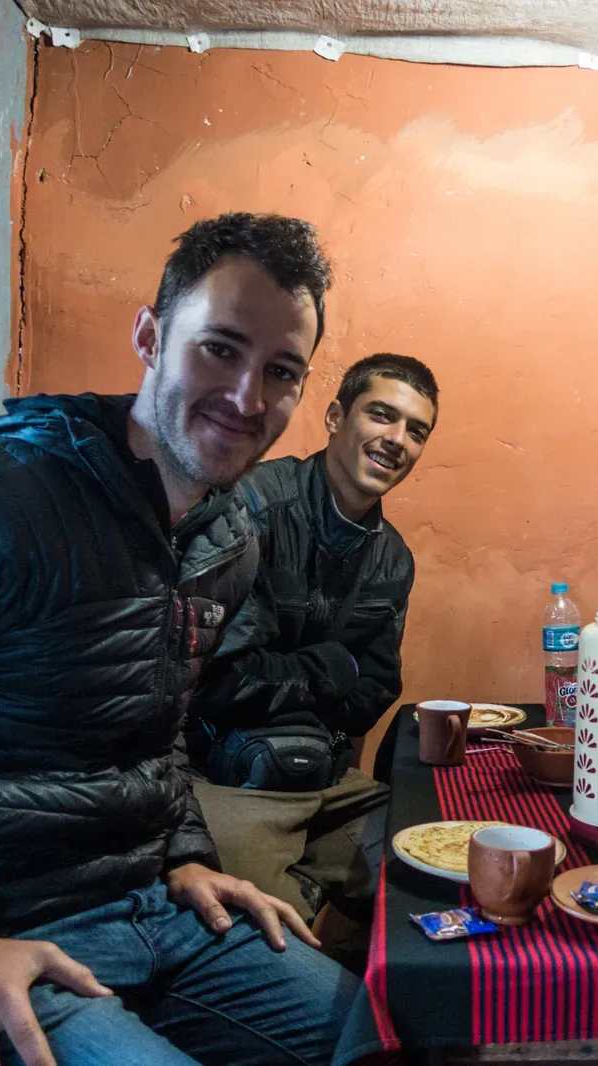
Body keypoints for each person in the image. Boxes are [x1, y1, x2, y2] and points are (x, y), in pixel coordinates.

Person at [0, 213, 360, 1066]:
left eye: (282, 371)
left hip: (143, 913)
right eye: (220, 349)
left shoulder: (227, 538)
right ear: (150, 336)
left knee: (380, 1032)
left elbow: (151, 735)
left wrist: (188, 854)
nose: (248, 399)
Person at [189, 353, 438, 954]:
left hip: (329, 782)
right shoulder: (251, 509)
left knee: (435, 880)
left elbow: (373, 694)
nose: (396, 440)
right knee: (262, 950)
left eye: (416, 430)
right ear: (334, 416)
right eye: (382, 415)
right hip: (228, 784)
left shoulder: (392, 559)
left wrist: (302, 679)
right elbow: (217, 680)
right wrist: (332, 666)